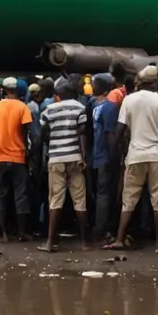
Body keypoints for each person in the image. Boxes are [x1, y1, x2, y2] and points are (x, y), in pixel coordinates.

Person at [109, 65, 158, 252]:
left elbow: (119, 131)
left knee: (128, 199)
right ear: (155, 82)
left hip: (135, 155)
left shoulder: (129, 100)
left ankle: (119, 238)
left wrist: (119, 153)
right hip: (157, 155)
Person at [39, 77, 90, 252]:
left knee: (55, 201)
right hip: (75, 157)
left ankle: (49, 242)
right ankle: (84, 243)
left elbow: (43, 132)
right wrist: (83, 157)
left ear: (58, 94)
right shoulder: (80, 107)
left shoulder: (49, 110)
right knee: (80, 201)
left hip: (56, 158)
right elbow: (82, 132)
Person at [0, 76, 33, 243]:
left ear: (4, 90)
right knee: (20, 196)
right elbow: (26, 131)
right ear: (17, 90)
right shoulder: (23, 107)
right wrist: (29, 152)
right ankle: (22, 233)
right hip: (18, 157)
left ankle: (4, 234)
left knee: (1, 197)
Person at [90, 73, 120, 242]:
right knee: (106, 193)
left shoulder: (92, 104)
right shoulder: (110, 108)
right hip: (105, 157)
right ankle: (102, 228)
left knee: (99, 192)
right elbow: (110, 135)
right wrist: (114, 156)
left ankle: (98, 226)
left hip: (96, 154)